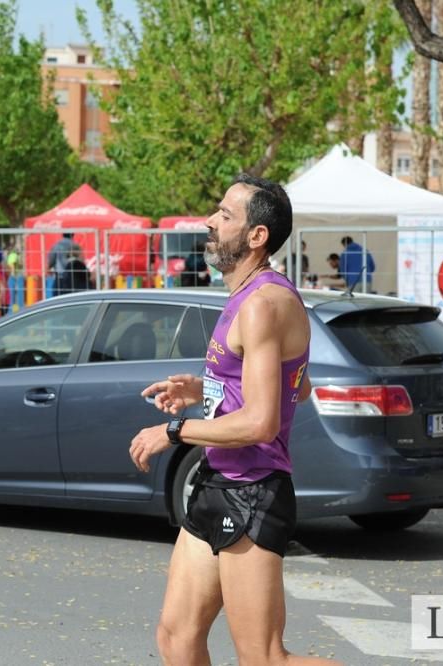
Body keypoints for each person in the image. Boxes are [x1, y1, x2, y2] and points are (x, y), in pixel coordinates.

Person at [130, 174, 338, 665]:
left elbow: (262, 423)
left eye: (225, 215)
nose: (210, 221)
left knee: (264, 659)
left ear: (256, 236)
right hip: (216, 482)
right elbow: (297, 386)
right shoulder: (249, 296)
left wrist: (173, 431)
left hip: (254, 492)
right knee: (176, 637)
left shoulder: (264, 304)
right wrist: (203, 388)